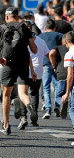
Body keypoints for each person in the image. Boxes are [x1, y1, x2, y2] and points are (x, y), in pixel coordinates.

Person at [0, 7, 38, 135]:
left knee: (6, 94)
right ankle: (29, 105)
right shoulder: (24, 27)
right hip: (23, 64)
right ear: (17, 16)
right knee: (22, 94)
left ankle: (6, 125)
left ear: (6, 17)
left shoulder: (2, 28)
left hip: (8, 64)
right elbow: (34, 50)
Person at [17, 21, 49, 130]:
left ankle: (23, 117)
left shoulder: (20, 39)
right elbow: (47, 53)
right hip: (38, 70)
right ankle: (34, 119)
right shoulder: (41, 41)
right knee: (35, 94)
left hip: (25, 70)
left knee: (22, 94)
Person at [38, 19, 63, 119]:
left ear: (45, 28)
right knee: (57, 86)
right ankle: (57, 105)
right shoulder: (59, 35)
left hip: (45, 63)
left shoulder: (40, 36)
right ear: (55, 27)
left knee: (46, 87)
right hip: (57, 63)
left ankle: (48, 108)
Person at [48, 36, 70, 119]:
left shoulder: (59, 48)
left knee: (59, 95)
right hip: (73, 74)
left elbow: (51, 54)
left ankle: (62, 103)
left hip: (61, 73)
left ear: (63, 42)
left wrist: (54, 66)